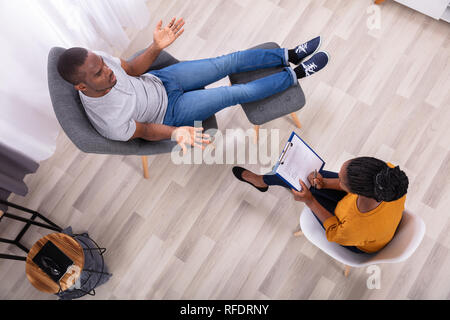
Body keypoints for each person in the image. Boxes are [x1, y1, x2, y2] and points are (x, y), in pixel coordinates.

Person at [56, 17, 329, 154]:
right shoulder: (109, 120)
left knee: (227, 62)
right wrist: (175, 133)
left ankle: (289, 55)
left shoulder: (99, 60)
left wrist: (156, 47)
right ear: (82, 87)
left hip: (162, 80)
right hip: (169, 113)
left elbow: (132, 70)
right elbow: (148, 130)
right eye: (99, 73)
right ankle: (296, 74)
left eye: (103, 65)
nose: (107, 71)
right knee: (235, 93)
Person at [232, 157, 409, 254]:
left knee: (297, 180)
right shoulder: (388, 177)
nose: (338, 178)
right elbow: (343, 184)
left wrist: (310, 201)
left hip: (355, 238)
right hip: (358, 212)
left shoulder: (357, 226)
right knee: (305, 175)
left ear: (357, 191)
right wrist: (323, 183)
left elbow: (333, 231)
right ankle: (267, 180)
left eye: (341, 180)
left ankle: (261, 181)